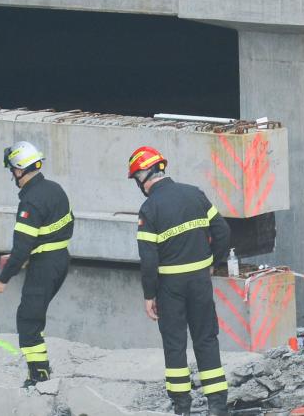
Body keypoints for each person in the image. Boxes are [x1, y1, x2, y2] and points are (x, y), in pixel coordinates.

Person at [128, 146, 231, 416]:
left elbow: (148, 260)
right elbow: (222, 232)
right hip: (200, 281)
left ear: (143, 175)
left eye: (137, 177)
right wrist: (211, 263)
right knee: (206, 339)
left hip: (169, 287)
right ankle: (217, 406)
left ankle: (182, 407)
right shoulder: (194, 194)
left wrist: (149, 295)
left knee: (175, 345)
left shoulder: (149, 208)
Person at [0, 141, 74, 388]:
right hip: (60, 259)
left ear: (18, 170)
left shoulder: (30, 202)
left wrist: (2, 279)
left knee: (28, 320)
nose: (12, 176)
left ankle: (39, 375)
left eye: (12, 171)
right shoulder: (55, 189)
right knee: (34, 316)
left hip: (44, 266)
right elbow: (63, 225)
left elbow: (22, 248)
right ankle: (41, 370)